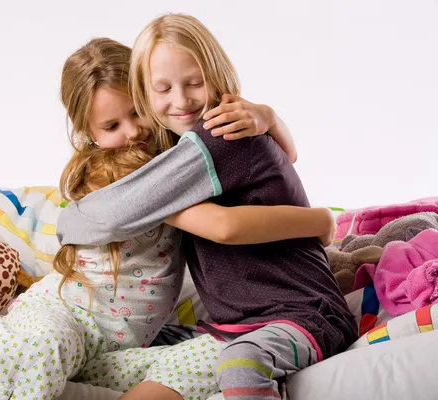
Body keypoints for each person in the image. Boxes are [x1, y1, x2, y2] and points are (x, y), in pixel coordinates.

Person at [57, 15, 358, 400]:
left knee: (241, 362)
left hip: (304, 315)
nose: (181, 100)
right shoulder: (179, 144)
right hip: (235, 322)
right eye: (162, 88)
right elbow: (290, 153)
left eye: (195, 82)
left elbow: (214, 226)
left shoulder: (218, 135)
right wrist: (269, 115)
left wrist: (70, 216)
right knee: (130, 351)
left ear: (219, 74)